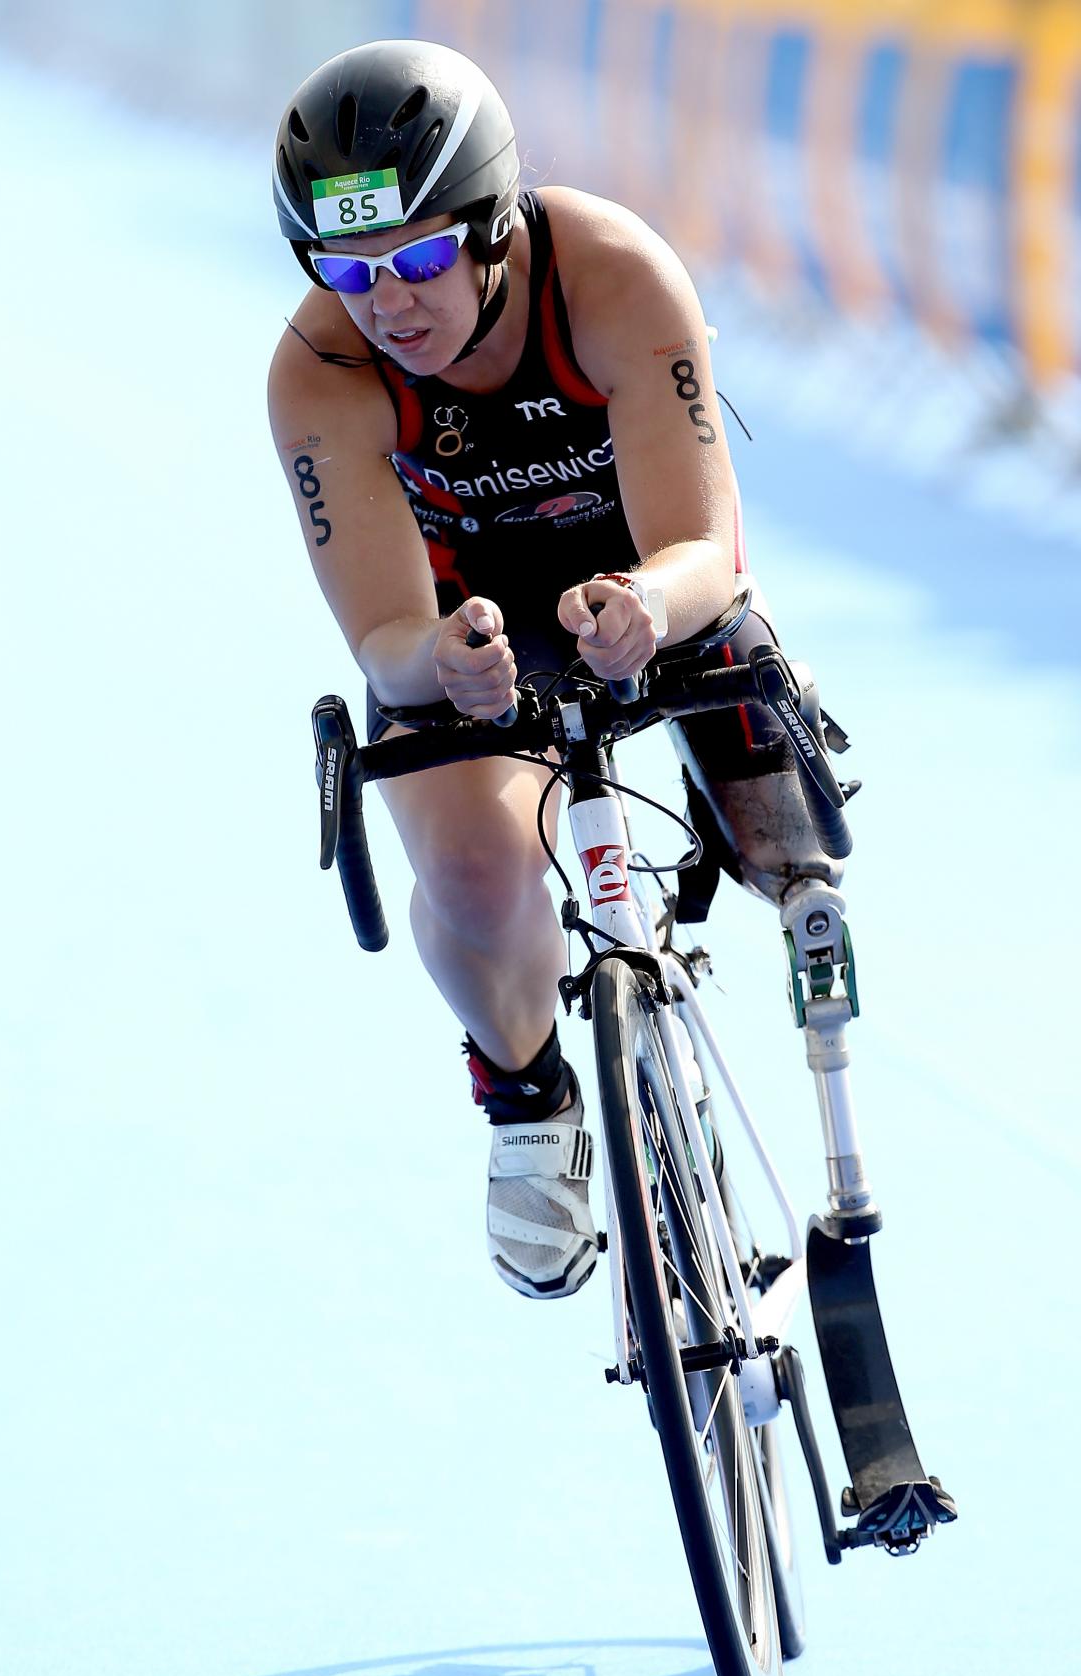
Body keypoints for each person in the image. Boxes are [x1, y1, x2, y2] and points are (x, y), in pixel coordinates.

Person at [268, 39, 843, 1300]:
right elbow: (384, 641)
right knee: (474, 869)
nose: (389, 304)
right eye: (348, 271)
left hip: (649, 576)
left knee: (798, 862)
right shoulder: (319, 371)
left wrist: (645, 601)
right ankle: (526, 1088)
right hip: (464, 623)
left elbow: (707, 548)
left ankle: (845, 1179)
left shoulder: (616, 277)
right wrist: (445, 660)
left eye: (419, 258)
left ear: (492, 227)